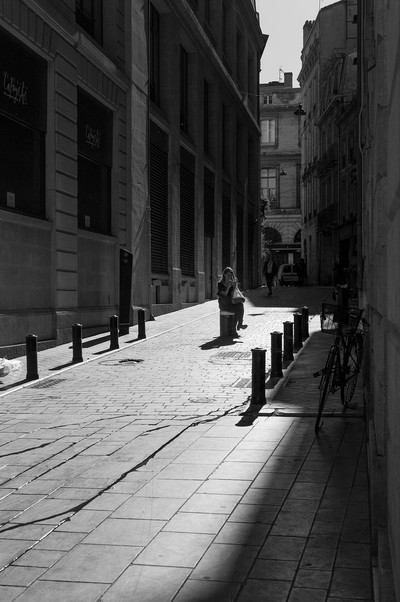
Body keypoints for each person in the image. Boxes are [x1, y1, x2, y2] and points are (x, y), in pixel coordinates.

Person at [217, 267, 247, 336]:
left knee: (240, 304)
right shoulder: (220, 284)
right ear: (224, 274)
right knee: (236, 310)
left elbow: (234, 294)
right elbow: (224, 295)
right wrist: (228, 286)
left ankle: (240, 324)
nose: (229, 277)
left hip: (231, 302)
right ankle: (234, 330)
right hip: (224, 304)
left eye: (231, 275)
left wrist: (234, 287)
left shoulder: (232, 283)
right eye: (228, 275)